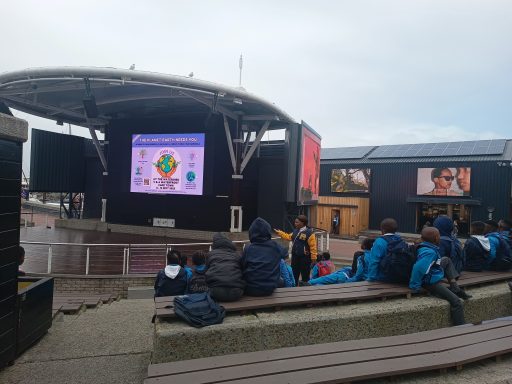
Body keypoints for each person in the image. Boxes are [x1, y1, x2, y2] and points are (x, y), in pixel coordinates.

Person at [409, 227, 470, 326]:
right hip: (430, 282)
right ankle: (461, 327)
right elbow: (418, 268)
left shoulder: (426, 247)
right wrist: (415, 286)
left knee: (446, 260)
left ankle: (455, 288)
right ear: (436, 238)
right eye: (439, 236)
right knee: (457, 302)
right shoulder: (430, 252)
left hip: (433, 273)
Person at [241, 217, 282, 296]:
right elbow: (285, 255)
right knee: (281, 280)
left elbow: (243, 265)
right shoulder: (276, 246)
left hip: (251, 289)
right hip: (270, 288)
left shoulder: (248, 248)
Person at [274, 215, 318, 285]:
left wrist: (314, 259)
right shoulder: (295, 231)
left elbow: (313, 247)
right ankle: (294, 289)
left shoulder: (309, 233)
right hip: (295, 257)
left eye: (297, 222)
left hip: (305, 258)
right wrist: (280, 233)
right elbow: (288, 237)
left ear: (303, 223)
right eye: (295, 222)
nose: (295, 224)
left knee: (305, 276)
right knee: (294, 274)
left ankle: (305, 290)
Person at [205, 233, 245, 302]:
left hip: (216, 292)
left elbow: (206, 271)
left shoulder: (210, 254)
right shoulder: (237, 255)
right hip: (236, 293)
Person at [366, 218, 403, 282]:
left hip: (382, 278)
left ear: (382, 229)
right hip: (398, 277)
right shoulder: (400, 240)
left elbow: (374, 262)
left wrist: (370, 279)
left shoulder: (379, 241)